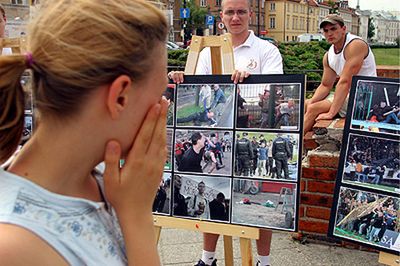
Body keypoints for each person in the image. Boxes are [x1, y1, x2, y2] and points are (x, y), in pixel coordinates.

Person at [0, 1, 168, 265]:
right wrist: (137, 218)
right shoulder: (15, 247)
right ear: (120, 97)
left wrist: (132, 208)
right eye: (159, 95)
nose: (162, 108)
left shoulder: (104, 182)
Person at [169, 0, 282, 264]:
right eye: (230, 12)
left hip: (250, 125)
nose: (235, 17)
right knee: (214, 193)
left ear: (250, 15)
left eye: (241, 11)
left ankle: (263, 262)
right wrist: (181, 80)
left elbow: (274, 93)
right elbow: (200, 91)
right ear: (221, 16)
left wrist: (251, 81)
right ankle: (207, 259)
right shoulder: (208, 52)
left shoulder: (267, 51)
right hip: (219, 129)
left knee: (252, 194)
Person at [304, 14, 377, 133]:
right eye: (326, 30)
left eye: (333, 29)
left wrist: (331, 113)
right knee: (306, 104)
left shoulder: (355, 45)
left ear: (343, 29)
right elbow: (325, 85)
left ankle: (293, 146)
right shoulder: (328, 55)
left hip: (364, 97)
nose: (329, 33)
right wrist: (311, 101)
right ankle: (299, 143)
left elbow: (345, 82)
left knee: (314, 108)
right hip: (348, 94)